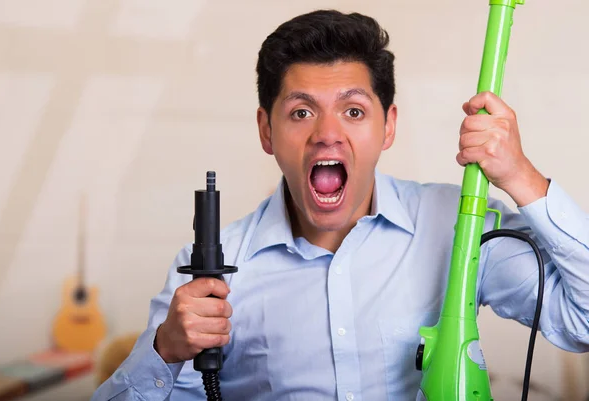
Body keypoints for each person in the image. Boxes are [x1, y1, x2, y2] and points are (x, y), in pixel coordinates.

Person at [91, 9, 589, 401]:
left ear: (388, 125)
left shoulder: (456, 224)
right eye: (302, 111)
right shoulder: (212, 274)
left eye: (353, 111)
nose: (327, 134)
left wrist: (520, 175)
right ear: (266, 131)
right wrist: (164, 351)